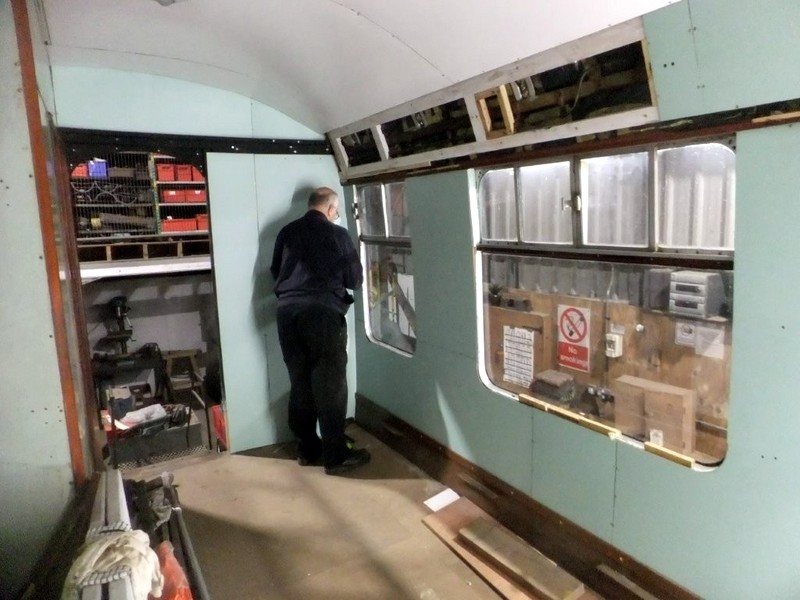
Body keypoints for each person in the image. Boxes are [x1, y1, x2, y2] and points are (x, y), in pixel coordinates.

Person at [270, 186, 371, 475]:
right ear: (330, 208)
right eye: (337, 211)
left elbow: (276, 272)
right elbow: (354, 279)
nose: (336, 215)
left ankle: (307, 448)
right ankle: (336, 456)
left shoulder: (286, 232)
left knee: (300, 382)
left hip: (287, 316)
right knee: (330, 386)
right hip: (323, 316)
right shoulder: (337, 235)